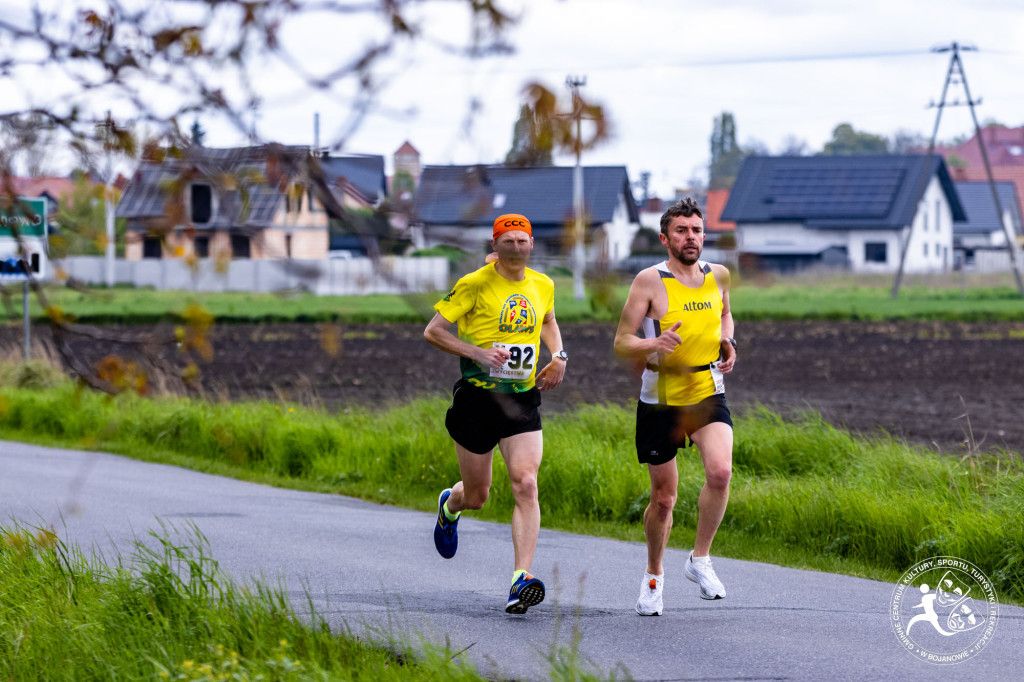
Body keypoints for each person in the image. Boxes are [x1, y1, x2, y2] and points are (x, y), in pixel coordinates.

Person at [423, 213, 567, 615]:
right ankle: (450, 506)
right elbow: (433, 331)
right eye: (509, 241)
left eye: (522, 241)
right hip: (477, 400)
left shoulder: (543, 284)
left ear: (532, 245)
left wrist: (559, 356)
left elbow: (548, 319)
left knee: (526, 483)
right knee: (477, 496)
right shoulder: (473, 284)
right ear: (495, 245)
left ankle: (521, 579)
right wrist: (476, 353)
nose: (516, 247)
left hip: (521, 398)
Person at [612, 197, 737, 615]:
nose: (691, 237)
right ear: (665, 238)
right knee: (664, 499)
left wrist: (728, 341)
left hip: (706, 390)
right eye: (681, 231)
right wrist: (654, 342)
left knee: (720, 472)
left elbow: (725, 315)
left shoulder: (719, 275)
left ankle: (700, 559)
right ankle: (654, 575)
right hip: (660, 399)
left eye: (696, 230)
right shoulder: (649, 281)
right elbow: (622, 341)